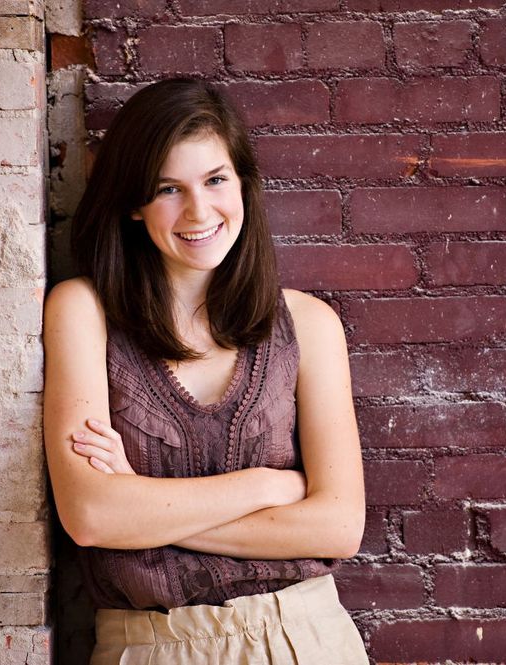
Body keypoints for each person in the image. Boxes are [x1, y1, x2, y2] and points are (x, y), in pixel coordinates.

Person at [42, 77, 368, 664]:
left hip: (305, 638)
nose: (199, 211)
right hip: (151, 648)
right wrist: (267, 487)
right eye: (169, 188)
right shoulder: (82, 312)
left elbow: (339, 527)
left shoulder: (310, 326)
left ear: (242, 183)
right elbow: (91, 516)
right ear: (134, 205)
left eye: (216, 180)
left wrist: (144, 510)